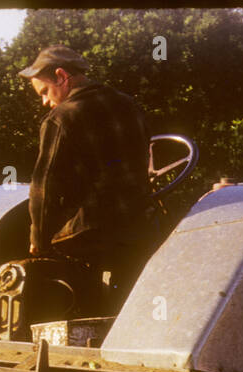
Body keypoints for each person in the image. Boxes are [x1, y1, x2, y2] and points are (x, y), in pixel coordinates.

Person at [18, 45, 155, 294]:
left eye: (45, 91)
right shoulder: (128, 104)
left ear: (61, 76)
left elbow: (44, 187)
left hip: (94, 229)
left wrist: (38, 240)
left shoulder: (61, 118)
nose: (44, 102)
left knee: (26, 242)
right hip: (141, 223)